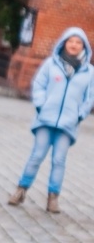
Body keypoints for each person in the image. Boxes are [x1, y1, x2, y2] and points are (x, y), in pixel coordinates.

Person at [8, 28, 94, 213]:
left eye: (78, 42)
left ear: (84, 46)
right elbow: (38, 85)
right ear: (64, 43)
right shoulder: (50, 65)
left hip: (68, 124)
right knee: (37, 156)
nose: (74, 45)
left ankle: (53, 198)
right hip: (45, 120)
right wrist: (41, 105)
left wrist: (79, 115)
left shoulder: (89, 72)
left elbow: (90, 98)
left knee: (59, 160)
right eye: (70, 41)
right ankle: (21, 189)